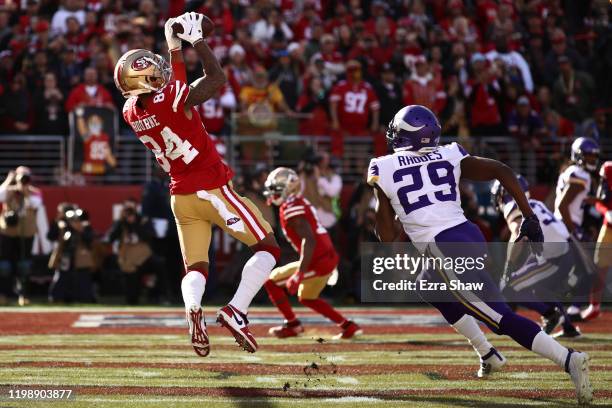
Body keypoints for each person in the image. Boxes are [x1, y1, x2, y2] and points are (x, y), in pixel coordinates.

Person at [368, 105, 592, 404]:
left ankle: (568, 359)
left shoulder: (383, 167)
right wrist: (529, 216)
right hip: (468, 235)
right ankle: (487, 353)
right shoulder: (449, 152)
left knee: (499, 318)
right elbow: (501, 170)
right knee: (426, 285)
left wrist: (383, 198)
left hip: (443, 248)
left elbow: (386, 236)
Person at [113, 12, 280, 356]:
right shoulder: (169, 99)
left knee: (196, 267)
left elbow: (169, 88)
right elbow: (215, 79)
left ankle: (192, 308)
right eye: (152, 71)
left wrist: (174, 48)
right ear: (144, 80)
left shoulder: (131, 111)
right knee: (268, 248)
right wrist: (196, 42)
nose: (159, 72)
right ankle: (236, 310)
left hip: (180, 197)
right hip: (210, 189)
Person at [262, 167, 361, 339]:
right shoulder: (295, 201)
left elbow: (309, 240)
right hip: (324, 256)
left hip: (318, 259)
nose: (273, 193)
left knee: (271, 282)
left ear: (289, 187)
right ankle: (347, 326)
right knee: (307, 297)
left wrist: (300, 274)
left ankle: (293, 325)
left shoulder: (293, 206)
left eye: (276, 189)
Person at [491, 175, 581, 338]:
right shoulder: (536, 203)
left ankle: (549, 315)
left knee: (508, 286)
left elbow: (518, 231)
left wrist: (509, 265)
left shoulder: (512, 205)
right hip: (563, 252)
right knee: (540, 289)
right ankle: (568, 328)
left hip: (554, 257)